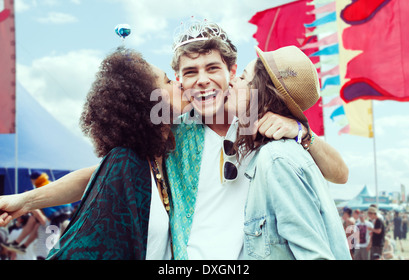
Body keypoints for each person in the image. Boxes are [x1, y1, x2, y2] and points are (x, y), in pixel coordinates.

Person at [0, 19, 349, 260]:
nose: (202, 81)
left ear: (231, 71)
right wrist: (26, 199)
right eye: (190, 72)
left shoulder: (262, 125)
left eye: (212, 68)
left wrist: (303, 133)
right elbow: (100, 175)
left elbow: (340, 173)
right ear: (180, 80)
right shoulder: (173, 134)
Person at [48, 47, 188, 259]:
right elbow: (83, 245)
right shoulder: (126, 161)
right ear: (149, 102)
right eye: (168, 81)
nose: (179, 83)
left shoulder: (158, 161)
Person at [226, 46, 351, 259]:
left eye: (242, 77)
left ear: (261, 93)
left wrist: (304, 132)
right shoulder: (270, 149)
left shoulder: (277, 159)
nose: (232, 81)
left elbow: (315, 255)